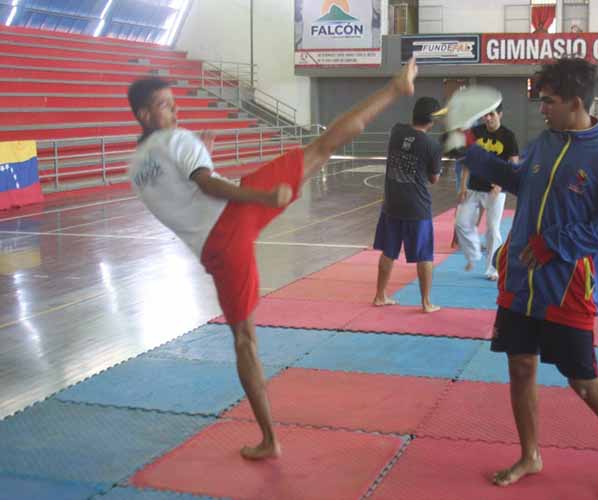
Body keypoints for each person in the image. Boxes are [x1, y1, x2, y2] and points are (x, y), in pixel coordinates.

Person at [127, 58, 419, 460]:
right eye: (165, 105)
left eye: (174, 104)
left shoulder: (136, 165)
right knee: (321, 147)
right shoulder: (177, 141)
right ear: (144, 114)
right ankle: (394, 89)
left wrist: (201, 155)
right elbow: (209, 186)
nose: (175, 111)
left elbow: (180, 192)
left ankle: (269, 440)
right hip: (235, 215)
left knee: (244, 341)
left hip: (216, 251)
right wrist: (262, 197)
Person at [443, 58, 598, 498]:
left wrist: (555, 242)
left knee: (583, 379)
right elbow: (517, 179)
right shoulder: (543, 143)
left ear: (576, 102)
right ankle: (530, 454)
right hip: (520, 281)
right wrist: (470, 150)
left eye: (549, 101)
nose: (541, 108)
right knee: (520, 367)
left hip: (567, 286)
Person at [373, 97, 443, 313]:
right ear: (432, 120)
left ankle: (380, 296)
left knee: (388, 251)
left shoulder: (396, 131)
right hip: (417, 207)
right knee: (424, 255)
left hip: (391, 205)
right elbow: (434, 179)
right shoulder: (431, 145)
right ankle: (426, 303)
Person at [454, 102, 519, 280]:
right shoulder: (477, 133)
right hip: (474, 188)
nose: (488, 118)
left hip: (495, 192)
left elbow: (514, 165)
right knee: (460, 222)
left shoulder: (508, 136)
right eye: (486, 115)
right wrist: (462, 187)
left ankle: (493, 268)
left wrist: (501, 184)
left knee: (492, 230)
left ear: (500, 115)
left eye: (492, 115)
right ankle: (474, 252)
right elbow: (469, 160)